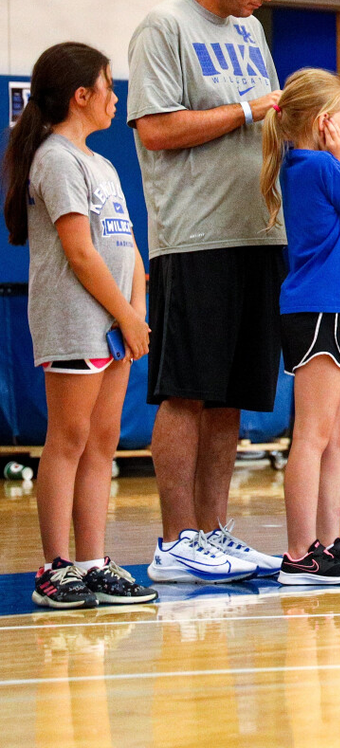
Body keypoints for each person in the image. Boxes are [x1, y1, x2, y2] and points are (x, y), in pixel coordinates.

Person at [128, 0, 288, 583]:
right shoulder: (163, 25)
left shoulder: (251, 30)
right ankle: (174, 541)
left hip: (259, 231)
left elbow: (274, 116)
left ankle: (214, 532)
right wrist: (249, 110)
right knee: (188, 391)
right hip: (194, 239)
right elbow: (157, 131)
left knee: (231, 397)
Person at [4, 43, 155, 609]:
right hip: (75, 322)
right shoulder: (55, 159)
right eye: (109, 87)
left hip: (116, 325)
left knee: (103, 441)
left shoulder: (103, 163)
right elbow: (80, 252)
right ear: (80, 96)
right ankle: (54, 569)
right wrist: (124, 313)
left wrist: (135, 311)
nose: (116, 97)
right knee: (66, 442)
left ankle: (92, 561)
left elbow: (127, 247)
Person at [260, 69, 340, 585]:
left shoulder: (308, 166)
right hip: (319, 310)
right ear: (326, 122)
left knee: (337, 436)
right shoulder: (318, 166)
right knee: (312, 437)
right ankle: (299, 552)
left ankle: (329, 543)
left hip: (339, 307)